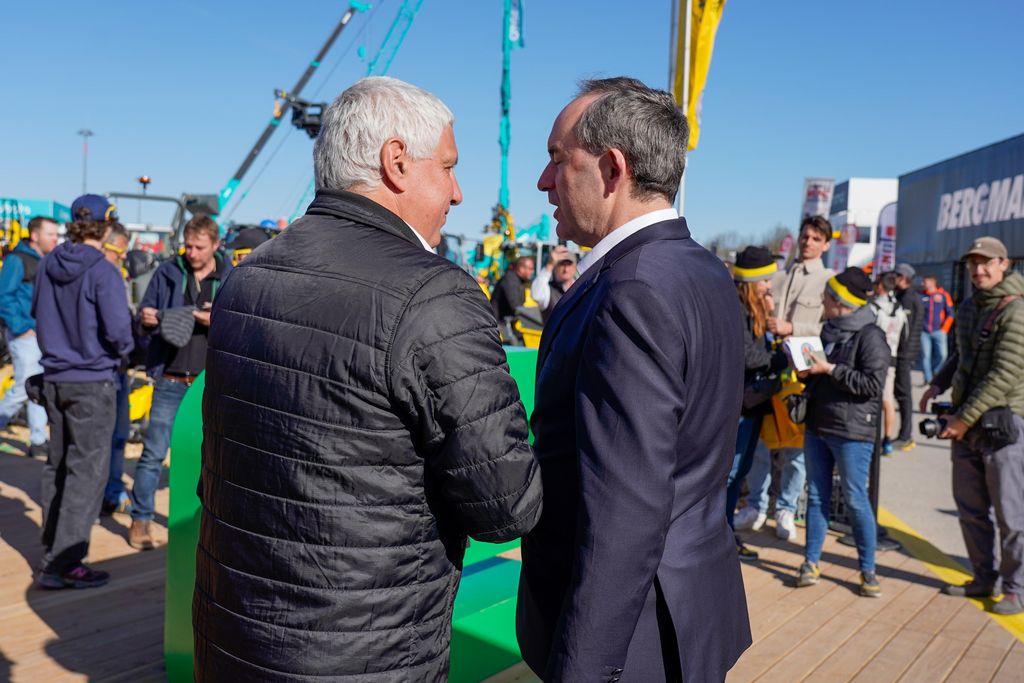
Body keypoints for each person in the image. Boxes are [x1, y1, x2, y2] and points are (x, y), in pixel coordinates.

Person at [193, 76, 542, 681]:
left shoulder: (249, 278)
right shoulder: (433, 294)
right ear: (397, 162)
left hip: (233, 634)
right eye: (450, 168)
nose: (458, 194)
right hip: (362, 652)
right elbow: (506, 507)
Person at [518, 76, 750, 681]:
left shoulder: (631, 289)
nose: (544, 182)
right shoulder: (699, 268)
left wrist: (584, 669)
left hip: (633, 636)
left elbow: (624, 509)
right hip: (686, 606)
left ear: (612, 168)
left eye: (556, 160)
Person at [32, 194, 134, 589]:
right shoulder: (103, 271)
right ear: (106, 225)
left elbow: (36, 312)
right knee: (86, 474)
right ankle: (64, 562)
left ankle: (50, 552)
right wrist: (124, 352)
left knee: (56, 465)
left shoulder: (46, 263)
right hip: (92, 381)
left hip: (53, 378)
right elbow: (119, 333)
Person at [921, 237, 1024, 616]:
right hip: (965, 422)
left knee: (1012, 514)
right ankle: (984, 577)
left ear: (1004, 264)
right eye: (972, 264)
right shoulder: (968, 306)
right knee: (971, 507)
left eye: (986, 263)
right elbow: (960, 355)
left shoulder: (1017, 311)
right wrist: (937, 382)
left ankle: (1016, 588)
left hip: (1003, 424)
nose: (978, 270)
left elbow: (1004, 375)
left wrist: (963, 419)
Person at [131, 214, 229, 550]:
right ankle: (141, 519)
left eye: (199, 247)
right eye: (187, 246)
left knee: (209, 457)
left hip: (208, 385)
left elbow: (237, 323)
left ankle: (202, 522)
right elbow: (145, 314)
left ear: (215, 245)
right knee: (153, 453)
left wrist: (206, 318)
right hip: (171, 379)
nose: (191, 252)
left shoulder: (229, 276)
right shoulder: (168, 271)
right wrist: (147, 318)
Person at [794, 267, 888, 597]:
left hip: (852, 432)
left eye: (827, 297)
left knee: (855, 500)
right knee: (817, 496)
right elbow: (820, 374)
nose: (822, 301)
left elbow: (872, 385)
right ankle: (810, 563)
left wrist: (829, 369)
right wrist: (807, 372)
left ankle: (868, 569)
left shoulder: (871, 336)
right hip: (818, 425)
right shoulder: (828, 330)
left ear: (839, 302)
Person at [749, 216, 835, 541]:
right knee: (762, 443)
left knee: (795, 450)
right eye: (805, 236)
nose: (808, 242)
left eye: (816, 238)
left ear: (826, 244)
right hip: (769, 368)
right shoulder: (780, 276)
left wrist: (792, 328)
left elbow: (832, 329)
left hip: (802, 373)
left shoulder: (829, 280)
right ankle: (756, 506)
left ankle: (785, 508)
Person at [727, 246, 786, 563]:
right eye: (765, 280)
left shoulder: (754, 307)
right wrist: (777, 358)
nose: (769, 286)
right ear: (753, 280)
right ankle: (720, 536)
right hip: (739, 405)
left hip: (752, 404)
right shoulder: (736, 308)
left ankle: (725, 534)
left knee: (741, 472)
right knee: (731, 473)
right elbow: (746, 355)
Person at [0, 216, 59, 457]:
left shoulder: (44, 260)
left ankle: (37, 439)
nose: (55, 239)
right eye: (51, 234)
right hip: (25, 334)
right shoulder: (17, 260)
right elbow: (4, 296)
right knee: (24, 386)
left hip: (40, 332)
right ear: (35, 236)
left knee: (37, 384)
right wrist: (23, 326)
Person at [99, 224, 134, 515]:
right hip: (104, 370)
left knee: (119, 435)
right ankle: (102, 493)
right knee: (103, 437)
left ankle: (112, 490)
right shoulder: (101, 277)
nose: (122, 258)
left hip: (118, 368)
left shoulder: (117, 276)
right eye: (119, 251)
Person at [871, 272, 907, 455]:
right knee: (888, 400)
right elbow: (905, 336)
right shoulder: (900, 309)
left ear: (880, 286)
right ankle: (887, 438)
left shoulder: (874, 307)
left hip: (874, 357)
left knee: (874, 398)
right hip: (892, 357)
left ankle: (873, 438)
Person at [892, 262, 923, 451]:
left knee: (904, 395)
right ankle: (903, 434)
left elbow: (910, 331)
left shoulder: (910, 299)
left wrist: (905, 354)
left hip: (904, 354)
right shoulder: (900, 296)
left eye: (897, 276)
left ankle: (906, 435)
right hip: (899, 353)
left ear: (905, 278)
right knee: (898, 393)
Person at [920, 275, 954, 383]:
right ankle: (929, 379)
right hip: (924, 332)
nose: (922, 284)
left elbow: (951, 313)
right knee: (925, 356)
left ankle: (936, 372)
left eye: (924, 282)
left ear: (932, 282)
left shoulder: (943, 295)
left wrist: (945, 329)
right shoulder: (922, 296)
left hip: (939, 331)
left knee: (942, 355)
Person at [530, 244, 577, 323]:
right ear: (555, 267)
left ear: (575, 267)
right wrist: (550, 264)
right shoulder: (548, 290)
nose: (566, 269)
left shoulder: (582, 288)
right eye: (562, 265)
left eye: (569, 264)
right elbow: (536, 295)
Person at [491, 255, 535, 322]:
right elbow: (515, 305)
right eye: (530, 268)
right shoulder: (510, 280)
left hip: (506, 323)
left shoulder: (518, 281)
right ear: (521, 268)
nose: (532, 272)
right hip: (499, 324)